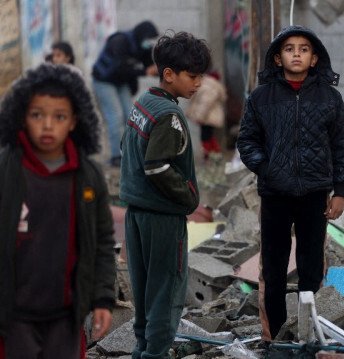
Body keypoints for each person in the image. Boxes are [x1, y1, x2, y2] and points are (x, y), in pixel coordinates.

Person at [236, 25, 344, 343]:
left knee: (311, 268)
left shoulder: (330, 98)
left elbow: (341, 146)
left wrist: (340, 191)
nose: (297, 54)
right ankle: (274, 336)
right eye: (290, 49)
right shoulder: (261, 98)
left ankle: (307, 335)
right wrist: (267, 169)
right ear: (278, 58)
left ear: (314, 59)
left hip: (315, 194)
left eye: (304, 49)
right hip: (274, 195)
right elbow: (247, 141)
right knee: (273, 271)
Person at [0, 63, 116, 358]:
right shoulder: (7, 170)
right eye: (37, 115)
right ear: (23, 117)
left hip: (65, 315)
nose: (48, 125)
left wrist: (102, 299)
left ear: (75, 121)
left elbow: (102, 241)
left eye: (59, 116)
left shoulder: (86, 176)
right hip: (14, 316)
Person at [119, 31, 211, 359]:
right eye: (193, 76)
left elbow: (125, 149)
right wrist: (188, 198)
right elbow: (156, 167)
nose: (198, 84)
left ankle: (142, 349)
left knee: (144, 289)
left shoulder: (143, 103)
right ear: (169, 75)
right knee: (166, 292)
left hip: (136, 214)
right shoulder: (170, 115)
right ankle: (154, 353)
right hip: (162, 220)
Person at [92, 20, 159, 167]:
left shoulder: (143, 46)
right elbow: (120, 67)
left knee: (131, 116)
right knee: (115, 116)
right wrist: (145, 71)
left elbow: (149, 65)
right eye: (148, 39)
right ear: (141, 35)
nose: (149, 43)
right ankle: (116, 156)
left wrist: (160, 71)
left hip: (120, 82)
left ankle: (132, 153)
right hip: (104, 81)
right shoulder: (120, 41)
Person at [184, 71, 227, 160]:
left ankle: (208, 155)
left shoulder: (208, 86)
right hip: (210, 117)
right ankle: (215, 153)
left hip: (207, 117)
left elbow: (205, 103)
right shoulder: (214, 86)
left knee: (205, 136)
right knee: (209, 135)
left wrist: (200, 117)